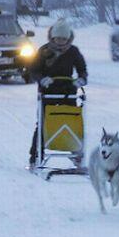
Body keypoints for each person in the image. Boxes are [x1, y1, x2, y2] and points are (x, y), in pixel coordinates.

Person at [28, 18, 88, 168]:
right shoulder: (44, 51)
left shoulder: (73, 52)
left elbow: (82, 69)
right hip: (48, 93)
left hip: (68, 92)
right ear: (53, 37)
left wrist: (81, 79)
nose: (61, 41)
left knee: (71, 122)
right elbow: (33, 70)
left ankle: (76, 153)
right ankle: (35, 154)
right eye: (58, 38)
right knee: (43, 123)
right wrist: (42, 79)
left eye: (64, 38)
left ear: (68, 38)